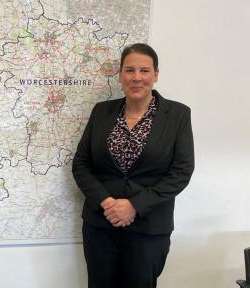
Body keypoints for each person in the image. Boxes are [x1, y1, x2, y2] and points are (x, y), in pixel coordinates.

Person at [72, 43, 194, 288]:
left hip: (148, 229)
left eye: (144, 70)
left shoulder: (178, 114)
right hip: (100, 226)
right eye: (129, 70)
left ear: (156, 75)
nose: (137, 77)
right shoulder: (102, 112)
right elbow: (81, 164)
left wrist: (135, 206)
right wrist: (107, 202)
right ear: (120, 75)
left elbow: (181, 172)